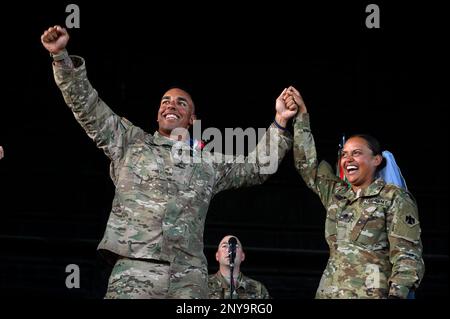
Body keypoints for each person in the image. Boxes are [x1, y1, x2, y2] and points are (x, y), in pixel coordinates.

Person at [41, 25, 297, 298]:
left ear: (193, 120)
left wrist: (280, 122)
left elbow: (257, 167)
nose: (171, 105)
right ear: (158, 114)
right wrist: (61, 57)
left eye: (181, 103)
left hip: (188, 278)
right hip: (134, 271)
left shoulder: (208, 162)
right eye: (165, 101)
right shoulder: (130, 142)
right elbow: (87, 107)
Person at [290, 86, 425, 299]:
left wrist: (397, 295)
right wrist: (300, 116)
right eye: (344, 154)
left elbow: (407, 256)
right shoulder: (337, 194)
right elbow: (307, 165)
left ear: (376, 160)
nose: (347, 159)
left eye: (356, 153)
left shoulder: (394, 198)